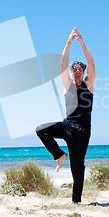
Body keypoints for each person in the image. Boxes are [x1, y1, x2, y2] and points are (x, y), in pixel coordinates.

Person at [36, 27, 95, 203]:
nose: (77, 71)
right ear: (71, 72)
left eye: (80, 69)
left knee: (78, 168)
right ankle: (59, 155)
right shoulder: (67, 85)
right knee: (41, 130)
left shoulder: (89, 85)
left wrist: (82, 42)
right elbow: (62, 63)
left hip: (83, 132)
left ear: (83, 72)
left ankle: (76, 201)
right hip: (67, 126)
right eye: (74, 69)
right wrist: (69, 42)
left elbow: (91, 62)